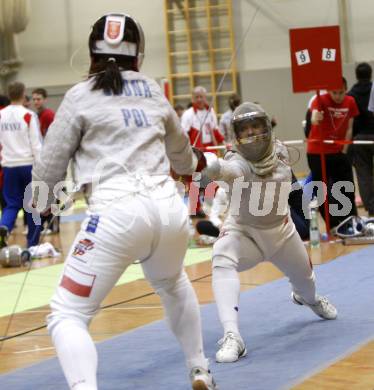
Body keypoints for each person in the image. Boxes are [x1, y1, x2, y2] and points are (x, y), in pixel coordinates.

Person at [32, 13, 216, 390]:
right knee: (173, 282)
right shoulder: (152, 91)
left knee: (67, 313)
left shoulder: (79, 96)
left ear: (92, 51)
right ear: (139, 53)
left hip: (116, 210)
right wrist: (196, 161)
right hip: (168, 209)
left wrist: (41, 203)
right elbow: (183, 161)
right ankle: (200, 368)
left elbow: (50, 165)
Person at [202, 102, 337, 363]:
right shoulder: (237, 163)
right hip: (245, 233)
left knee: (307, 286)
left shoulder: (281, 152)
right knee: (221, 255)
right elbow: (225, 171)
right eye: (245, 129)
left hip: (282, 233)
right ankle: (232, 336)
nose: (252, 133)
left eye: (256, 127)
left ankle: (306, 298)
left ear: (266, 127)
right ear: (237, 135)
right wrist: (205, 164)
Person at [307, 77, 359, 230]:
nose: (338, 96)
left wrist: (344, 150)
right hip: (317, 152)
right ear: (329, 91)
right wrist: (316, 118)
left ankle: (349, 220)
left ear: (346, 90)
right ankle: (332, 224)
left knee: (345, 186)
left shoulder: (350, 102)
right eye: (334, 93)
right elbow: (314, 117)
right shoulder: (320, 99)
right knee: (321, 189)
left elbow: (350, 128)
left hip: (338, 151)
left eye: (341, 92)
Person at [0, 82, 42, 247]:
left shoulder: (1, 115)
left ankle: (4, 227)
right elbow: (36, 144)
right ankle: (32, 243)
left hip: (9, 166)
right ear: (24, 94)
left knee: (11, 204)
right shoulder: (29, 115)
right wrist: (41, 168)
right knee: (32, 206)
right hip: (28, 165)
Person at [181, 86, 224, 217]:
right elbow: (183, 135)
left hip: (210, 149)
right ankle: (194, 209)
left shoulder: (210, 111)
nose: (199, 99)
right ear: (193, 98)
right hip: (197, 152)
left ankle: (211, 207)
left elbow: (215, 131)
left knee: (213, 179)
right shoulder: (188, 114)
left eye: (202, 96)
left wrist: (223, 143)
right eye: (197, 97)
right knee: (195, 180)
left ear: (205, 97)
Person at [348, 63, 374, 216]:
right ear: (370, 74)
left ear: (356, 75)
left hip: (359, 138)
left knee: (364, 174)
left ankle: (371, 208)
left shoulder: (351, 94)